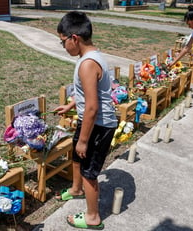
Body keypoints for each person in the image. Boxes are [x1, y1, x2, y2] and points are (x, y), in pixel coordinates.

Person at [54, 11, 117, 229]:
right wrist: (71, 105)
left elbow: (92, 106)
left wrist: (83, 140)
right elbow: (88, 94)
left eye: (63, 42)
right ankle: (76, 189)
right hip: (90, 120)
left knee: (89, 171)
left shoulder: (88, 64)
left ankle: (92, 218)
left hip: (98, 125)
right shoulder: (90, 57)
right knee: (77, 158)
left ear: (74, 38)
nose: (63, 47)